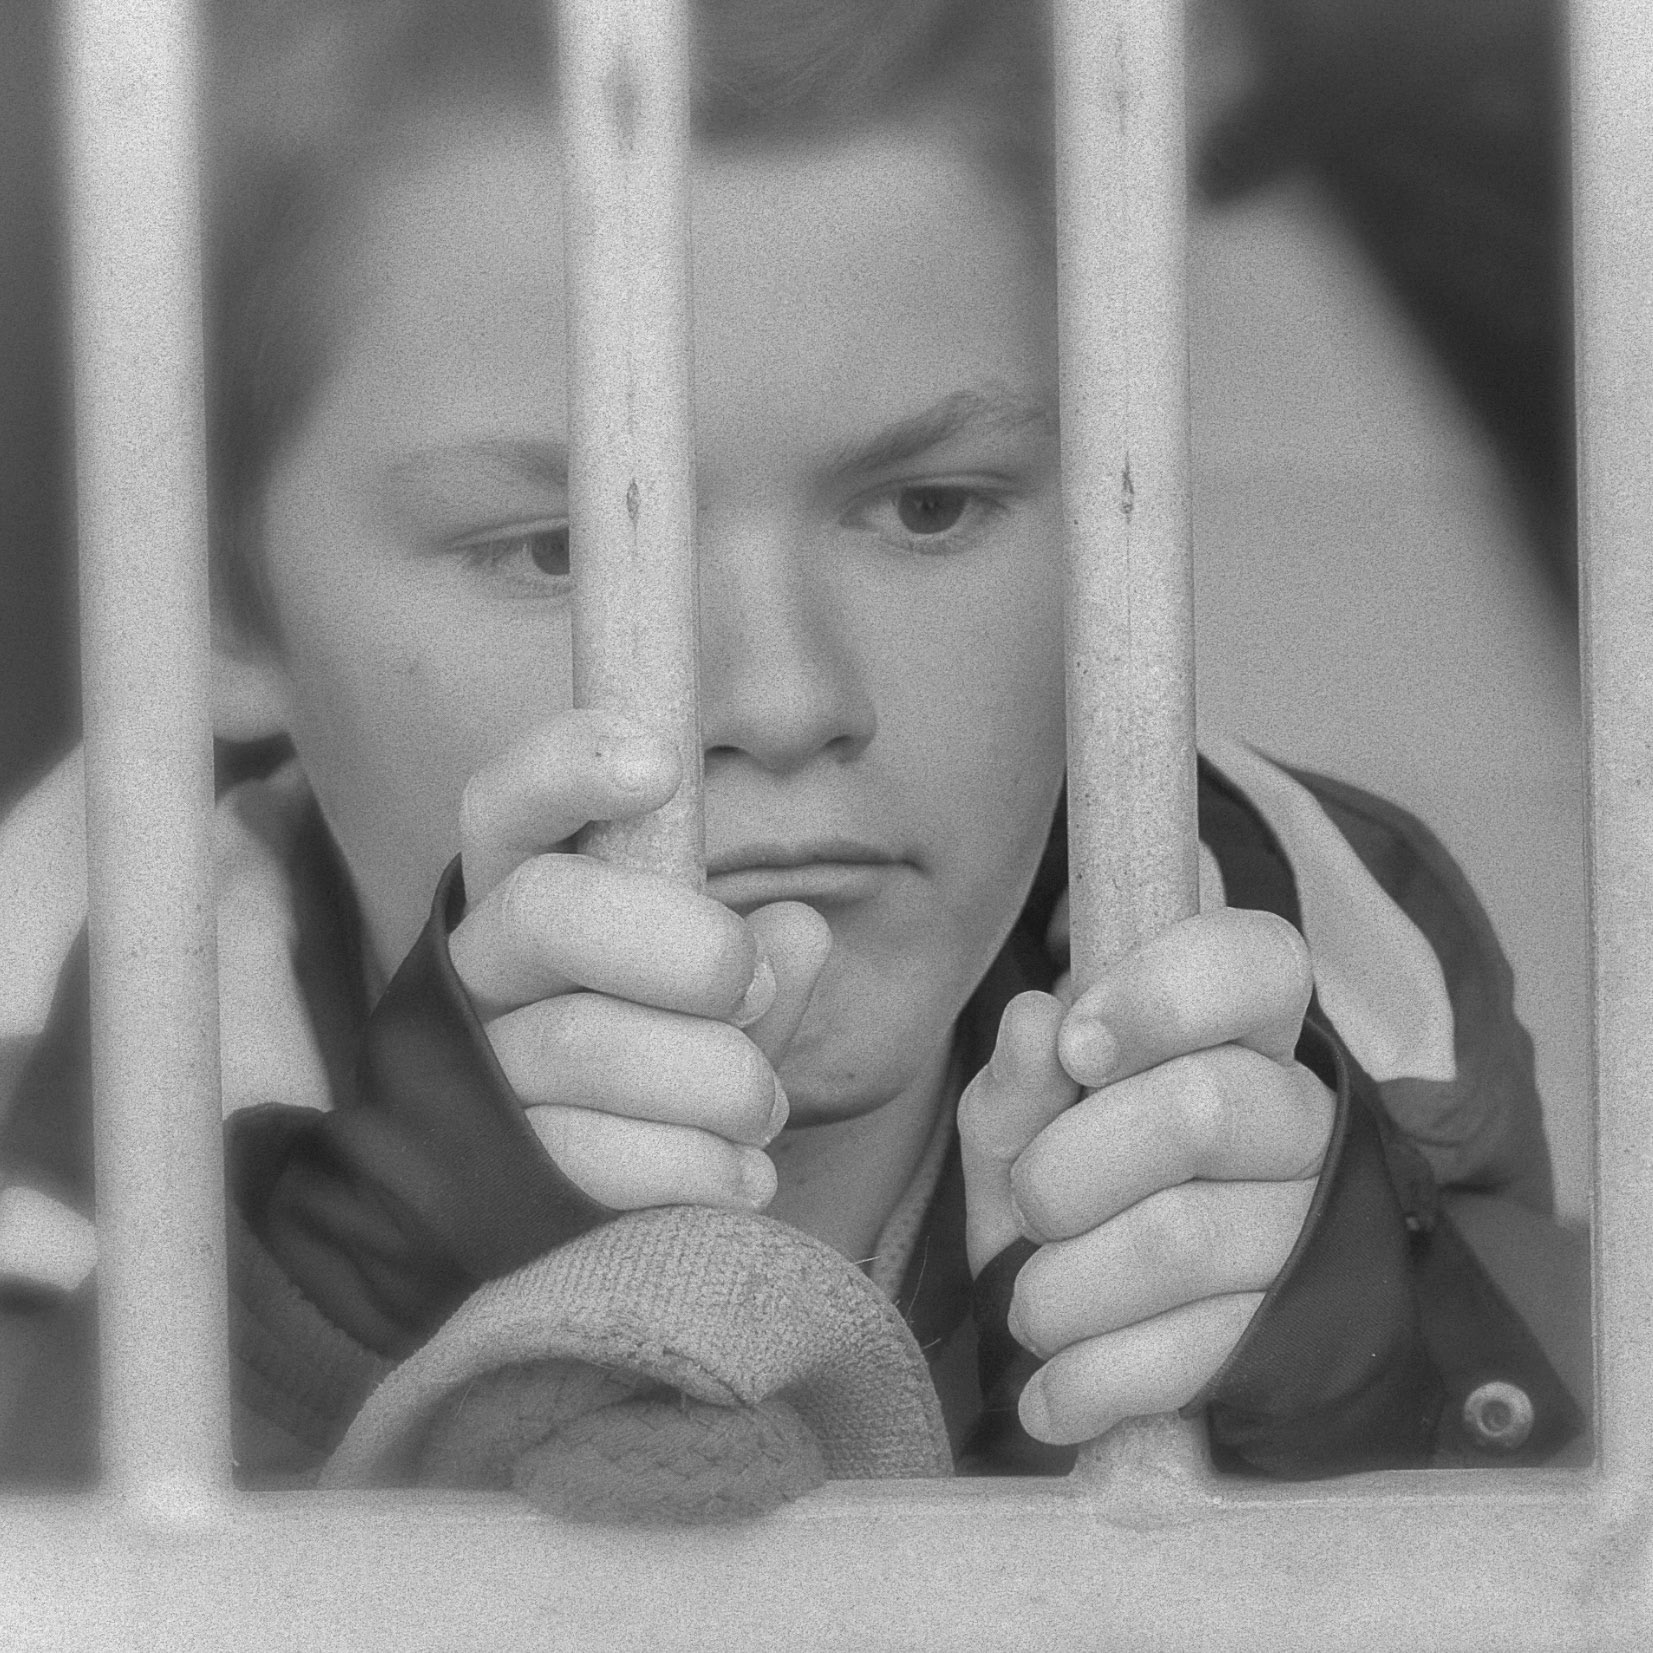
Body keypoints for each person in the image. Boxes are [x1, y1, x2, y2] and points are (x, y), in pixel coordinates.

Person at [0, 0, 1585, 1493]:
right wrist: (323, 1328)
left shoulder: (1340, 973)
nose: (779, 696)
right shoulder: (40, 1075)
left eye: (929, 507)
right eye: (559, 548)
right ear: (212, 602)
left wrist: (1351, 1419)